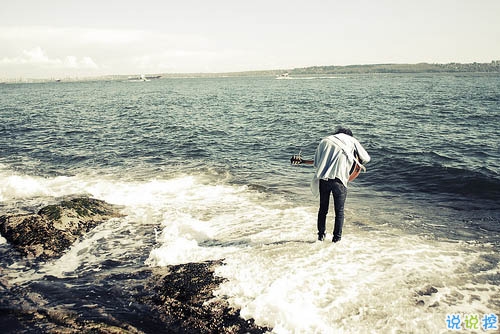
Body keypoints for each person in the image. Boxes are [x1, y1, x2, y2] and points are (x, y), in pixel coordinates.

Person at [298, 127, 370, 242]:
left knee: (323, 209)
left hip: (324, 179)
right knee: (339, 211)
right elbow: (366, 158)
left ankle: (320, 236)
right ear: (349, 135)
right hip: (340, 180)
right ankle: (336, 240)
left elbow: (317, 163)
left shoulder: (325, 140)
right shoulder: (352, 141)